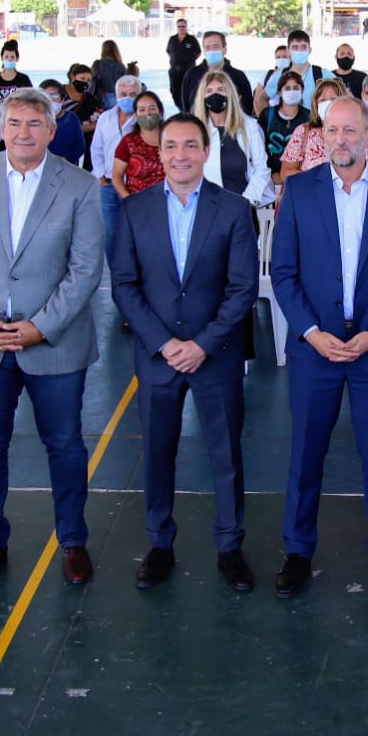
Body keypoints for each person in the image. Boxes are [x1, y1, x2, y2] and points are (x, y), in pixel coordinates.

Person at [0, 88, 105, 588]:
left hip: (54, 343)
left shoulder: (78, 185)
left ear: (52, 131)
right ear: (1, 128)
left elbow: (85, 268)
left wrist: (40, 327)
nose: (23, 132)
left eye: (35, 123)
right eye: (14, 123)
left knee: (67, 447)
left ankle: (72, 540)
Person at [270, 96, 368, 600]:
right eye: (332, 131)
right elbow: (284, 273)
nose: (341, 139)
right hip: (316, 348)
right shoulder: (298, 191)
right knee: (306, 452)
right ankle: (297, 551)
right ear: (322, 135)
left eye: (350, 131)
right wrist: (312, 332)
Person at [111, 113, 260, 590]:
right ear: (160, 153)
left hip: (214, 354)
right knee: (157, 452)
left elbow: (242, 288)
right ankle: (159, 544)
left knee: (226, 454)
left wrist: (203, 344)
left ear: (205, 151)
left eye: (190, 146)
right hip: (157, 356)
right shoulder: (135, 210)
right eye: (171, 145)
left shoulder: (234, 210)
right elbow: (125, 284)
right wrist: (164, 343)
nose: (180, 155)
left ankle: (230, 545)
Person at [192, 71, 273, 207]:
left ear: (230, 94)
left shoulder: (250, 127)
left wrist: (244, 202)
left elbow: (261, 168)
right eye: (209, 91)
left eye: (221, 89)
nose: (215, 94)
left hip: (243, 206)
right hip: (206, 208)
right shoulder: (194, 130)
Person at [279, 78, 368, 179]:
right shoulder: (303, 132)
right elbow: (286, 173)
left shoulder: (361, 132)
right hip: (314, 196)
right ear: (316, 104)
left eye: (334, 99)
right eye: (323, 100)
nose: (328, 104)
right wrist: (323, 181)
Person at [91, 75, 141, 259]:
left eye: (133, 94)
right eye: (124, 93)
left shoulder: (145, 118)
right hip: (108, 185)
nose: (128, 98)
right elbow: (96, 147)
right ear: (116, 94)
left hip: (134, 185)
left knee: (134, 233)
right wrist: (100, 176)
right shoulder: (106, 117)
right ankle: (117, 275)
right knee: (110, 233)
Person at [181, 30, 255, 115]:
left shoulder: (238, 76)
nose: (211, 51)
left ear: (224, 49)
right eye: (207, 47)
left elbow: (247, 106)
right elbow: (186, 107)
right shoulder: (191, 75)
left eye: (215, 47)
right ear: (203, 50)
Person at [255, 30, 326, 115]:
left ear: (310, 50)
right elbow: (261, 99)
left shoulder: (323, 75)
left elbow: (343, 98)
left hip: (314, 126)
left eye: (303, 47)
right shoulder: (280, 76)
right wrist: (270, 121)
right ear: (288, 51)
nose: (299, 51)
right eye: (295, 47)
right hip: (287, 127)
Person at [112, 92, 166, 199]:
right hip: (137, 205)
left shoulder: (172, 140)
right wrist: (129, 200)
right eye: (142, 110)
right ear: (136, 115)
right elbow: (116, 176)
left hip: (170, 204)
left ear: (159, 111)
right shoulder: (128, 142)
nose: (148, 113)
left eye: (152, 109)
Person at [259, 70, 308, 185]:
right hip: (271, 180)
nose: (292, 91)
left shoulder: (310, 117)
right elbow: (260, 149)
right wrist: (273, 173)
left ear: (302, 91)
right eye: (287, 88)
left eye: (296, 88)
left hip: (300, 179)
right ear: (280, 92)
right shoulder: (267, 115)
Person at [41, 78, 88, 166]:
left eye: (54, 97)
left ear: (63, 98)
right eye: (45, 96)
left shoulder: (71, 118)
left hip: (68, 168)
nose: (50, 100)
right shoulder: (35, 119)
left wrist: (64, 160)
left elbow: (80, 146)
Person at [60, 63, 103, 144]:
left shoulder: (90, 99)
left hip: (83, 143)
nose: (85, 82)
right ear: (73, 77)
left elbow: (97, 122)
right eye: (82, 78)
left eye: (88, 80)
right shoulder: (59, 93)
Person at [166, 18, 201, 108]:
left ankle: (188, 109)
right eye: (179, 26)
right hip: (175, 70)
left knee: (188, 91)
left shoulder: (192, 39)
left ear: (186, 27)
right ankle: (180, 108)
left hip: (188, 70)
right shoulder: (172, 39)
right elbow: (169, 51)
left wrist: (190, 60)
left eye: (183, 26)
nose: (181, 28)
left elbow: (198, 52)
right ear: (177, 27)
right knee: (174, 91)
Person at [93, 39, 127, 108]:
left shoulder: (97, 64)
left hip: (102, 98)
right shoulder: (121, 66)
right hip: (118, 98)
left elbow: (94, 81)